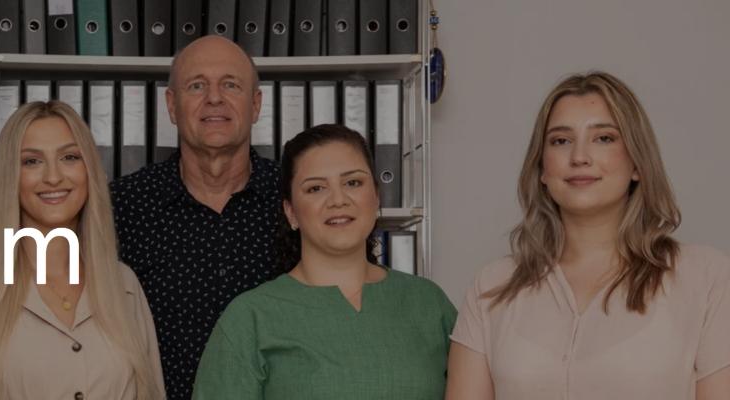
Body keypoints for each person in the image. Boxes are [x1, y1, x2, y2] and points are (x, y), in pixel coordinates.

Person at [446, 71, 730, 400]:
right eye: (560, 141)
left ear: (637, 163)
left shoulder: (707, 278)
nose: (579, 157)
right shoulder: (491, 287)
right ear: (542, 169)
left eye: (604, 138)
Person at [192, 124, 456, 399]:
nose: (338, 200)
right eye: (316, 188)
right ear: (291, 212)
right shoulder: (249, 319)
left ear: (376, 196)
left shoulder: (429, 304)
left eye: (353, 183)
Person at [0, 101, 165, 400]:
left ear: (89, 170)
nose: (53, 177)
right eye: (32, 161)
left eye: (69, 157)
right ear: (10, 176)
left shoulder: (124, 284)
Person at [110, 35, 280, 399]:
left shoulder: (296, 200)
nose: (214, 98)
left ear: (255, 105)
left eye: (230, 85)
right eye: (197, 86)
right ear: (172, 106)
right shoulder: (121, 206)